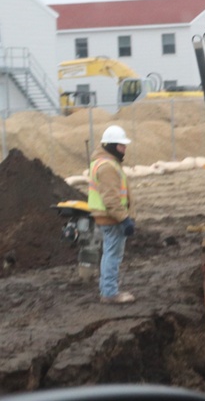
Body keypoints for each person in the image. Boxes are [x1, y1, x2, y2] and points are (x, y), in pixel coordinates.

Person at [88, 124, 137, 304]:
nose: (124, 149)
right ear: (111, 145)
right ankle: (109, 292)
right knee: (112, 254)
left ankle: (108, 288)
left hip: (108, 217)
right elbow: (111, 199)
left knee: (110, 253)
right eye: (121, 145)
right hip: (112, 218)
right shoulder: (108, 166)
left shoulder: (103, 162)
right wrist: (124, 219)